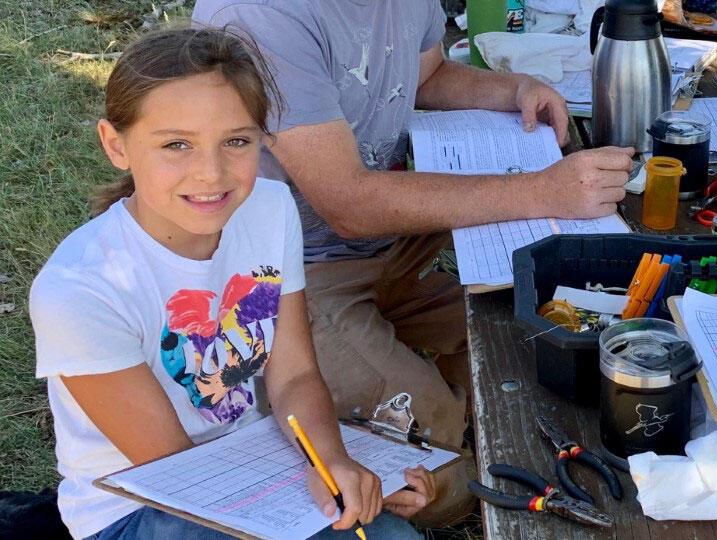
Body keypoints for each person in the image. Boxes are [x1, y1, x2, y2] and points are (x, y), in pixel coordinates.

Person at [192, 0, 633, 523]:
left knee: (540, 356)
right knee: (463, 456)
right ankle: (344, 427)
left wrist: (511, 89)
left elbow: (425, 75)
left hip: (388, 251)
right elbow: (349, 203)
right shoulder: (264, 7)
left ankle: (404, 404)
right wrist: (542, 192)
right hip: (286, 276)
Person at [29, 28, 429, 540]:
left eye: (236, 141)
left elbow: (295, 377)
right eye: (177, 145)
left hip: (249, 459)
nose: (211, 173)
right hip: (140, 504)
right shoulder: (79, 290)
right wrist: (311, 484)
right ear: (116, 145)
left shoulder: (269, 208)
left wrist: (334, 466)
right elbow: (178, 474)